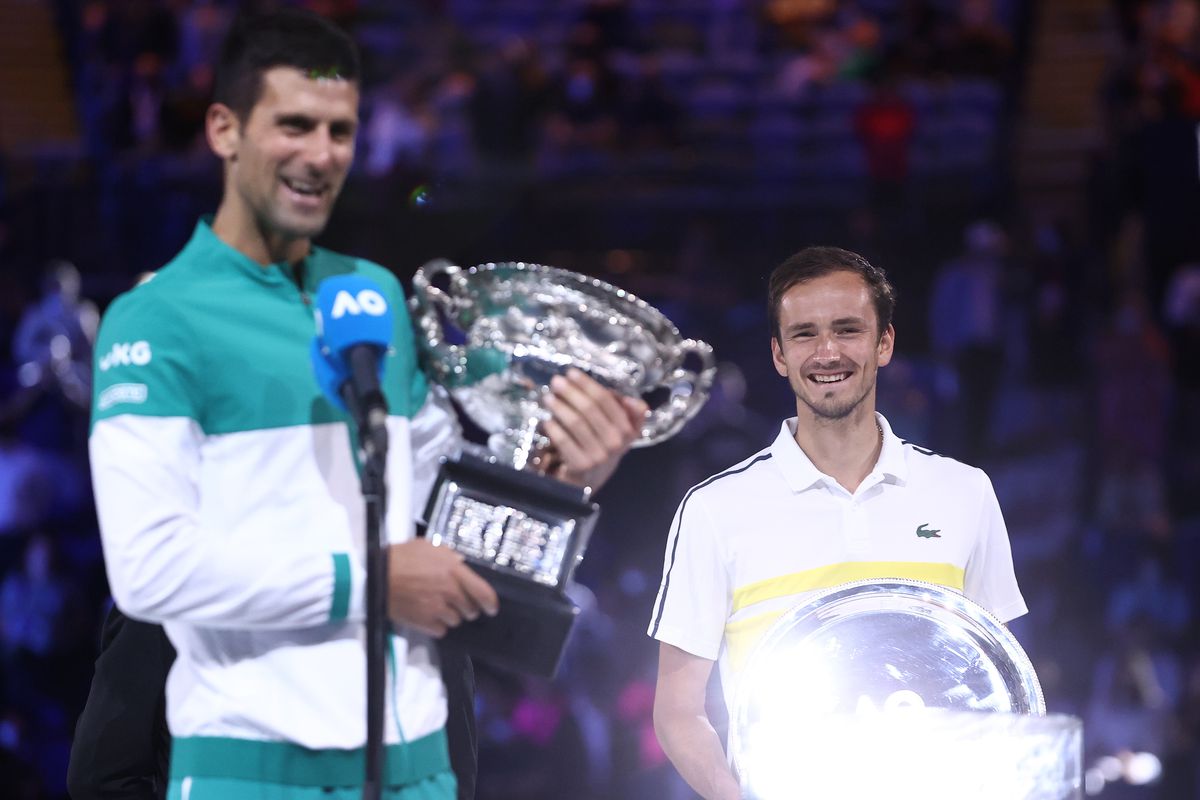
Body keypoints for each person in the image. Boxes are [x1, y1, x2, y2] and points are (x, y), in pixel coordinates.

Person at [81, 10, 646, 800]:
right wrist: (373, 584)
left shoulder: (369, 296)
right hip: (252, 774)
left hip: (423, 772)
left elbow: (440, 528)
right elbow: (148, 572)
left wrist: (554, 476)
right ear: (224, 129)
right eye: (295, 125)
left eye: (340, 131)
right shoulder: (156, 320)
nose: (321, 155)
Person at [647, 246, 1027, 800]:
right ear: (779, 354)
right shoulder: (714, 509)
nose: (827, 352)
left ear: (885, 343)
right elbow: (678, 712)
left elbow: (997, 681)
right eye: (804, 334)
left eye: (847, 330)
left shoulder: (964, 492)